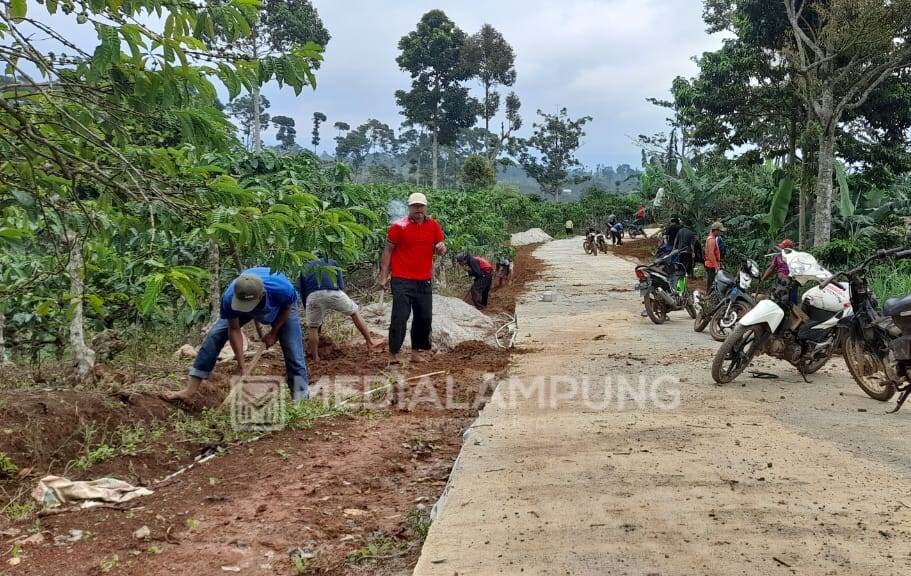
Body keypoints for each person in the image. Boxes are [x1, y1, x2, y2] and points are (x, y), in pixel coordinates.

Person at [163, 268, 309, 402]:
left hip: (282, 307)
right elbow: (234, 329)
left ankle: (301, 397)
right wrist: (241, 366)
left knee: (293, 350)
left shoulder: (282, 289)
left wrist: (273, 332)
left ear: (262, 295)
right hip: (246, 302)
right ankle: (189, 391)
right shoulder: (229, 298)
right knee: (214, 335)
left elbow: (287, 308)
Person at [377, 192, 447, 364]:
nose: (418, 209)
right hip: (402, 279)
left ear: (425, 207)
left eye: (421, 206)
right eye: (415, 206)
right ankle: (393, 353)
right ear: (409, 207)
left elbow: (440, 247)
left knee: (424, 317)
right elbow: (388, 251)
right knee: (400, 316)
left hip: (424, 279)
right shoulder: (398, 227)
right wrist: (383, 275)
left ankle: (416, 353)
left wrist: (441, 248)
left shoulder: (433, 226)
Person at [300, 257, 385, 363]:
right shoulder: (332, 261)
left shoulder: (304, 267)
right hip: (333, 292)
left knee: (313, 327)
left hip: (313, 296)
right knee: (354, 312)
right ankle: (370, 342)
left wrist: (308, 308)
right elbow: (341, 285)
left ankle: (315, 357)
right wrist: (341, 301)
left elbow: (303, 292)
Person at [762, 239, 799, 304]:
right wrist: (764, 278)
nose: (782, 249)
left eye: (783, 248)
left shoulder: (795, 257)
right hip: (781, 282)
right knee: (779, 301)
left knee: (790, 303)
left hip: (791, 283)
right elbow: (772, 268)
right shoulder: (778, 256)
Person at [704, 222, 725, 288]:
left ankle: (708, 295)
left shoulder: (712, 238)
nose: (720, 233)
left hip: (712, 264)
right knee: (712, 283)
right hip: (711, 265)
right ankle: (708, 296)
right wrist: (716, 266)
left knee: (711, 282)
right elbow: (711, 254)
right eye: (719, 231)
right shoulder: (711, 240)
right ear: (715, 230)